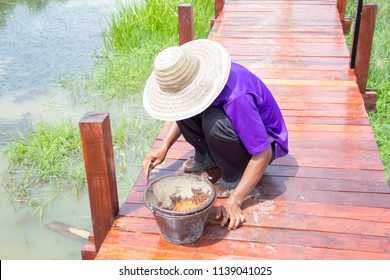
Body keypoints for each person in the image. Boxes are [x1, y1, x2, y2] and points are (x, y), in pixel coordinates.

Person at [142, 39, 288, 230]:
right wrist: (164, 147)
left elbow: (263, 152)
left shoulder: (237, 98)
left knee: (214, 123)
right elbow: (182, 114)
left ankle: (234, 174)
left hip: (263, 143)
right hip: (235, 126)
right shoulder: (203, 80)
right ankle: (209, 157)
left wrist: (235, 200)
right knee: (187, 111)